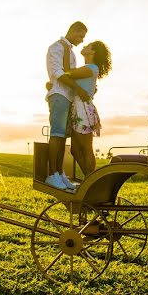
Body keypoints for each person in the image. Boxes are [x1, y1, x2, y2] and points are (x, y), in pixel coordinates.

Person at [45, 21, 89, 191]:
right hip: (59, 95)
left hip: (68, 96)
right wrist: (78, 88)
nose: (82, 40)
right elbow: (58, 73)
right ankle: (52, 174)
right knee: (56, 135)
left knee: (62, 137)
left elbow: (72, 74)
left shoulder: (70, 52)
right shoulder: (56, 47)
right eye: (81, 35)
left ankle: (59, 173)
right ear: (73, 31)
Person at [64, 41, 112, 177]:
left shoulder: (90, 68)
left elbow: (67, 73)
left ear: (93, 51)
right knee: (75, 150)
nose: (84, 46)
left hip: (83, 110)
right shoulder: (87, 68)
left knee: (86, 149)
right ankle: (91, 180)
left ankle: (92, 181)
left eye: (88, 45)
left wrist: (66, 51)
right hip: (78, 109)